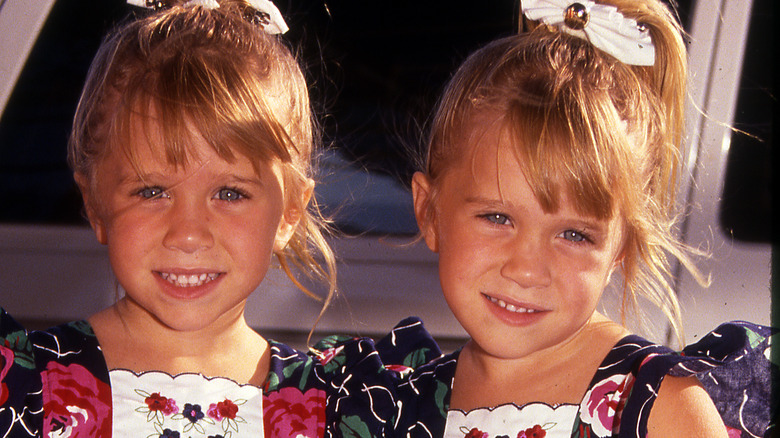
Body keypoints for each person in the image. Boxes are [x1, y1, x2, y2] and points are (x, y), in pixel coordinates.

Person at [0, 1, 440, 437]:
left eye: (229, 193)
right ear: (95, 203)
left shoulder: (343, 411)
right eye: (152, 191)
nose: (188, 234)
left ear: (289, 212)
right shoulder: (23, 391)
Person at [394, 0, 776, 437]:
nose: (526, 269)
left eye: (574, 234)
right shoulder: (400, 403)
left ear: (622, 247)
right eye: (498, 217)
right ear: (429, 212)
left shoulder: (658, 409)